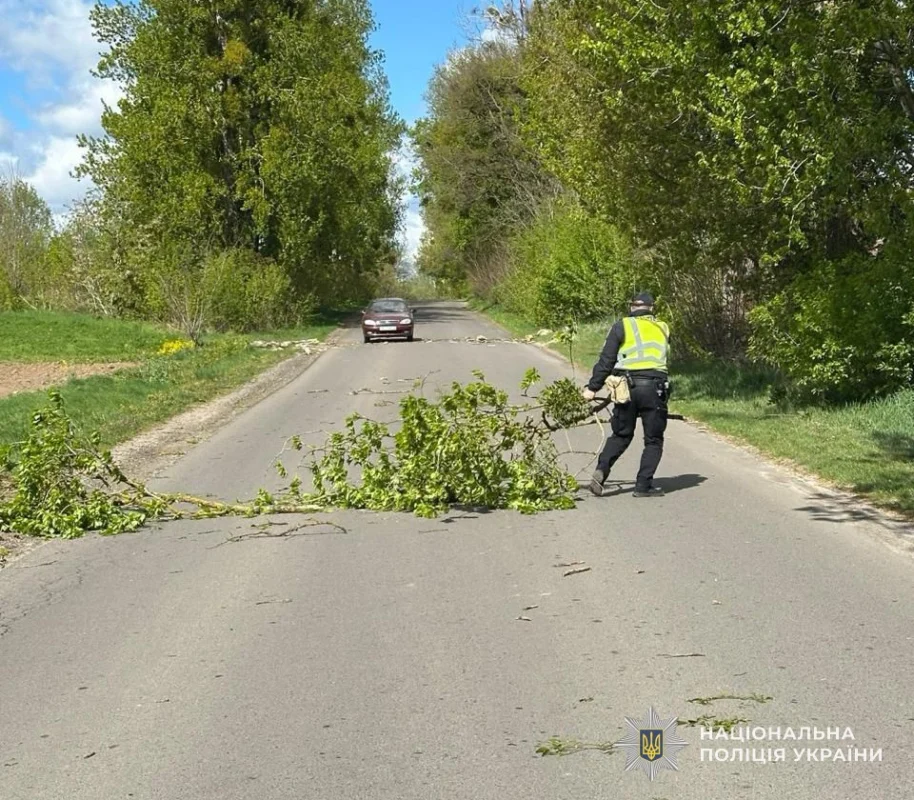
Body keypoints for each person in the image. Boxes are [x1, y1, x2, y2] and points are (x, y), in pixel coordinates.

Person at [582, 292, 671, 498]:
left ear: (632, 308)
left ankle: (601, 471)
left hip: (626, 388)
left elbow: (606, 360)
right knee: (653, 440)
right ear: (651, 308)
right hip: (655, 388)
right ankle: (643, 486)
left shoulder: (621, 326)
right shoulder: (664, 327)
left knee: (621, 434)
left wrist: (592, 388)